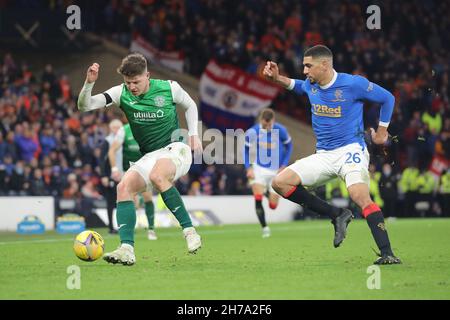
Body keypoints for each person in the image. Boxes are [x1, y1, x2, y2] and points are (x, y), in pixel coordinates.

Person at [263, 45, 401, 265]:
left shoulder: (352, 84)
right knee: (280, 182)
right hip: (324, 154)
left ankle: (387, 253)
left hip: (351, 150)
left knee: (359, 196)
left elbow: (388, 98)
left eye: (309, 66)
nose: (305, 71)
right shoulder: (311, 85)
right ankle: (337, 214)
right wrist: (277, 78)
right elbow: (296, 85)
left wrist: (382, 132)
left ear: (324, 64)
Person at [77, 53, 202, 265]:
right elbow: (85, 106)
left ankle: (190, 231)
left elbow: (190, 105)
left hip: (175, 148)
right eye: (128, 82)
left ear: (148, 76)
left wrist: (193, 135)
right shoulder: (120, 93)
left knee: (157, 175)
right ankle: (126, 248)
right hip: (150, 155)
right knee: (123, 188)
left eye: (136, 81)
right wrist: (89, 83)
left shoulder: (169, 87)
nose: (132, 86)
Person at [244, 108, 293, 238]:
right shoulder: (253, 131)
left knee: (273, 205)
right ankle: (265, 228)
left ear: (273, 121)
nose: (268, 127)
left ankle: (267, 192)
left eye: (270, 124)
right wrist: (248, 168)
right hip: (259, 168)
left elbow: (289, 146)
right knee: (257, 197)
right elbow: (246, 150)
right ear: (261, 121)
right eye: (266, 125)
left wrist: (284, 165)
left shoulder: (281, 130)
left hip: (276, 170)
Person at [108, 121, 158, 240]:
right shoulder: (124, 130)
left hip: (145, 168)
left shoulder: (147, 127)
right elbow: (112, 151)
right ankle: (128, 230)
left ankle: (151, 229)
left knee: (148, 197)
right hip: (128, 169)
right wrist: (114, 169)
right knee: (129, 199)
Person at [99, 119, 122, 234]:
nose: (117, 129)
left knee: (124, 201)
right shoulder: (108, 141)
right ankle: (111, 227)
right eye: (114, 127)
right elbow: (102, 160)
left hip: (124, 175)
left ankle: (123, 226)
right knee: (111, 202)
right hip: (111, 176)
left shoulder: (124, 140)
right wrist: (104, 175)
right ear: (110, 129)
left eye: (119, 127)